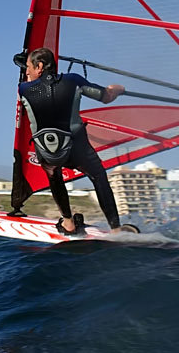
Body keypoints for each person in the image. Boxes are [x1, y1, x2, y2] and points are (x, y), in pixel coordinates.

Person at [18, 47, 132, 235]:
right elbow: (105, 96)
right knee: (98, 177)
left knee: (53, 175)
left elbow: (32, 82)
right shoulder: (73, 81)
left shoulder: (24, 90)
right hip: (77, 149)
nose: (26, 71)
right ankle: (116, 230)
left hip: (48, 152)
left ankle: (68, 222)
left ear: (39, 67)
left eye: (28, 67)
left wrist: (31, 72)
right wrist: (118, 89)